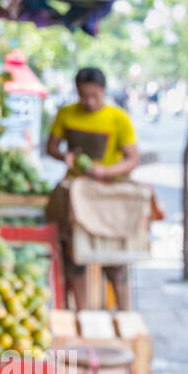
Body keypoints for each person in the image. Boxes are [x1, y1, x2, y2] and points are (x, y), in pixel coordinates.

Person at [44, 67, 140, 310]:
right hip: (76, 195)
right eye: (83, 95)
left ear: (103, 91)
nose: (89, 101)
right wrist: (64, 156)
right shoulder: (66, 114)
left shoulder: (119, 118)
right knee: (75, 255)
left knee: (116, 261)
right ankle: (82, 313)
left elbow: (132, 158)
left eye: (94, 95)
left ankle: (125, 314)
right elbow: (51, 148)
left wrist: (105, 171)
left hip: (107, 197)